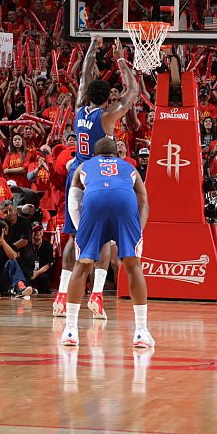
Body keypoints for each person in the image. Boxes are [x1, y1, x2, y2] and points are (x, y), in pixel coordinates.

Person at [53, 38, 138, 321]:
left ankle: (62, 297)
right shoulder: (108, 117)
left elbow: (84, 73)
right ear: (108, 99)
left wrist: (92, 46)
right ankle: (97, 296)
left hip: (76, 175)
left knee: (73, 237)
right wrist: (120, 59)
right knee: (107, 241)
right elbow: (133, 90)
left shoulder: (79, 109)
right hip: (97, 177)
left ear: (88, 95)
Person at [62, 137, 152, 348]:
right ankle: (140, 331)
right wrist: (137, 232)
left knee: (83, 264)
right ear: (117, 155)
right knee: (132, 265)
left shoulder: (85, 165)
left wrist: (81, 232)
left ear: (95, 154)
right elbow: (144, 201)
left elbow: (73, 200)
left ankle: (70, 330)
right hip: (124, 202)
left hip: (94, 202)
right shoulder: (128, 166)